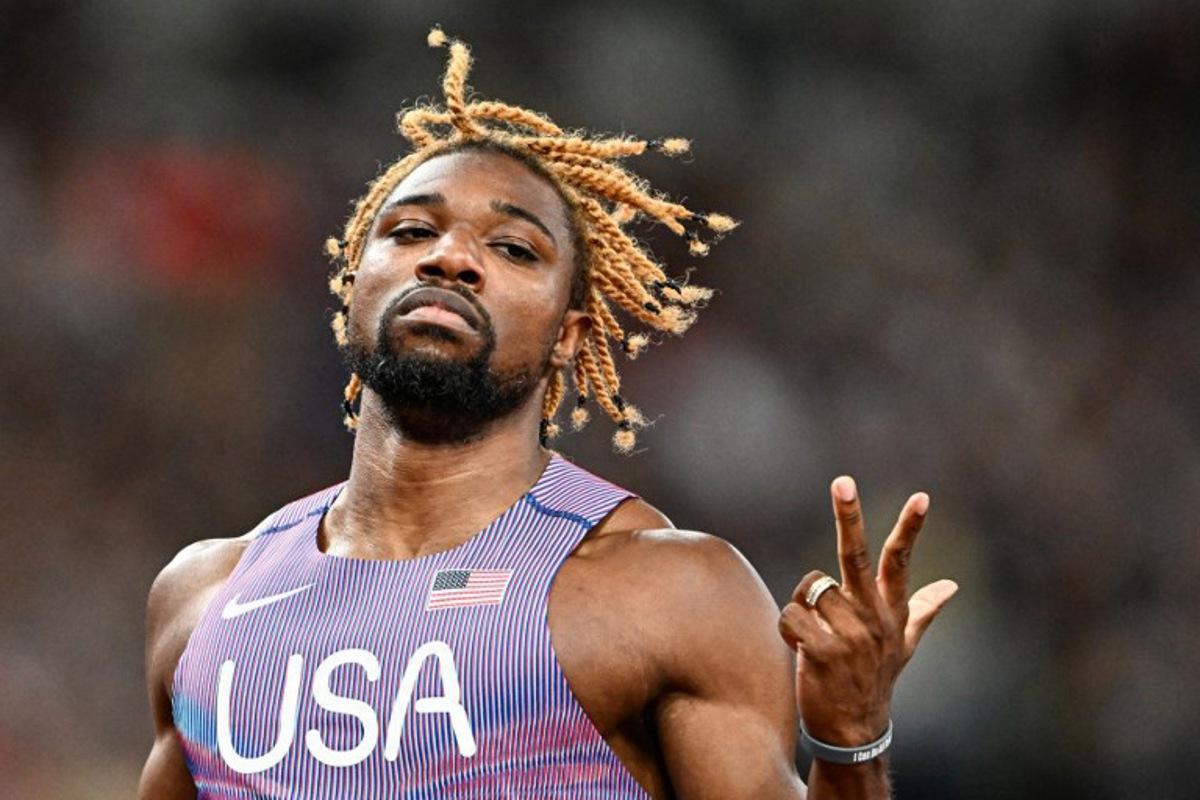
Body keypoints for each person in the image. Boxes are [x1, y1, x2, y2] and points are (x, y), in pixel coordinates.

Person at [138, 28, 958, 799]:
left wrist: (852, 742)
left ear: (569, 336)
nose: (451, 257)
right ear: (355, 288)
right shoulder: (204, 596)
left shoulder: (669, 592)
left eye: (513, 249)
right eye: (413, 230)